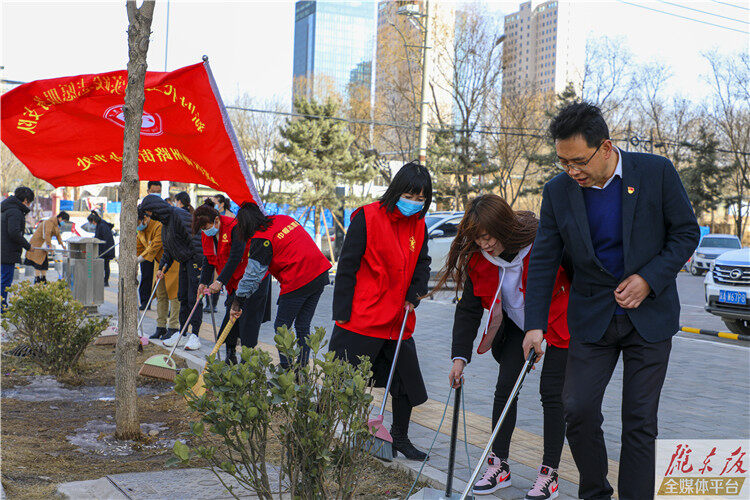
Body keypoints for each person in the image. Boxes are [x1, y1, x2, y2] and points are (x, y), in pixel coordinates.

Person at [523, 103, 700, 500]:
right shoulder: (557, 193)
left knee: (639, 420)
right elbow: (545, 262)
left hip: (649, 317)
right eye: (563, 161)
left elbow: (686, 233)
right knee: (578, 409)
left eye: (578, 161)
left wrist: (649, 279)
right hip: (591, 317)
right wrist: (534, 324)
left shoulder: (655, 173)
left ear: (605, 147)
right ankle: (595, 492)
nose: (571, 171)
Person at [433, 194, 571, 498]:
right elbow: (468, 310)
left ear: (504, 226)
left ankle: (549, 472)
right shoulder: (480, 259)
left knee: (552, 393)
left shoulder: (542, 242)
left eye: (488, 236)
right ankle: (499, 465)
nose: (485, 244)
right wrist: (459, 358)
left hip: (560, 319)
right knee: (505, 389)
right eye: (478, 238)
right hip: (516, 327)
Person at [328, 161, 432, 461]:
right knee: (344, 382)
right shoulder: (367, 216)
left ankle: (400, 437)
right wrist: (342, 312)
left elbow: (422, 263)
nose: (415, 203)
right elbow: (347, 265)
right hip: (362, 317)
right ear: (397, 191)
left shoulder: (419, 224)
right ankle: (338, 435)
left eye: (421, 199)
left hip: (399, 317)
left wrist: (416, 292)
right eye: (410, 196)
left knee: (405, 382)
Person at [229, 202, 331, 368]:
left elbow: (252, 275)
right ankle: (301, 370)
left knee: (281, 327)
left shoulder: (261, 238)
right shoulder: (283, 219)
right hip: (319, 273)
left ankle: (286, 370)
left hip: (299, 279)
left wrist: (238, 299)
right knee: (302, 325)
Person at [193, 203, 272, 364]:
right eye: (202, 229)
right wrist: (203, 282)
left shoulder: (234, 227)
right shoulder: (205, 233)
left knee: (247, 320)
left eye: (207, 227)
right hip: (233, 282)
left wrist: (219, 281)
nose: (206, 231)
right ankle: (230, 355)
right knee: (231, 316)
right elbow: (208, 259)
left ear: (216, 220)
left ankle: (247, 360)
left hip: (251, 280)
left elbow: (235, 257)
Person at [139, 192, 203, 351]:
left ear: (156, 209)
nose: (149, 216)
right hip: (182, 261)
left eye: (149, 213)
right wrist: (161, 268)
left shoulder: (179, 216)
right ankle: (182, 332)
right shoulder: (165, 222)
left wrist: (200, 267)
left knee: (193, 298)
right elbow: (167, 248)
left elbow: (195, 239)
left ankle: (195, 335)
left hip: (194, 262)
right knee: (182, 296)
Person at [137, 213, 180, 339]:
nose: (137, 226)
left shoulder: (158, 226)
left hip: (172, 263)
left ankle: (173, 327)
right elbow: (139, 247)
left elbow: (154, 247)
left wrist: (137, 260)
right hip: (159, 265)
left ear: (145, 218)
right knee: (161, 296)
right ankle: (161, 327)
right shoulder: (141, 230)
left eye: (138, 222)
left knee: (174, 296)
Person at [1, 186, 34, 309]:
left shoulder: (7, 208)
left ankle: (2, 305)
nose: (29, 205)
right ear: (25, 200)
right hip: (7, 252)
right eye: (30, 202)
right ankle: (2, 307)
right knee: (5, 281)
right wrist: (28, 246)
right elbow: (14, 233)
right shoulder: (15, 211)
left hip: (4, 250)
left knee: (4, 280)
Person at [24, 211, 69, 283]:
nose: (64, 222)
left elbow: (58, 235)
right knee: (38, 262)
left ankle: (43, 278)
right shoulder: (50, 222)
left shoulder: (56, 224)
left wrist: (62, 245)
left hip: (43, 245)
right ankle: (37, 278)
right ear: (60, 218)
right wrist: (49, 245)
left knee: (44, 262)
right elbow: (47, 234)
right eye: (64, 220)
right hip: (38, 244)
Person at [87, 211, 115, 287]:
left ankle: (105, 281)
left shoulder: (102, 226)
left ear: (94, 220)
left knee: (105, 265)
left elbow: (104, 238)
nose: (92, 224)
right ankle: (103, 280)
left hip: (106, 249)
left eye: (91, 222)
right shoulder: (101, 224)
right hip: (104, 249)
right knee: (105, 265)